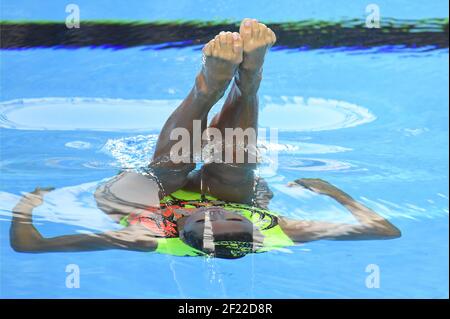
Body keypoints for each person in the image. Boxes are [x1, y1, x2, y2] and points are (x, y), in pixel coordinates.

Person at [10, 19, 401, 259]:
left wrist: (25, 206)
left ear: (180, 231)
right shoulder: (276, 235)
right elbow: (384, 230)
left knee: (165, 174)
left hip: (147, 201)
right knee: (237, 173)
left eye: (203, 215)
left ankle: (207, 88)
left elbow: (31, 245)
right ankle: (248, 83)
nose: (212, 207)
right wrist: (334, 193)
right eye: (231, 216)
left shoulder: (144, 238)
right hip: (226, 191)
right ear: (252, 230)